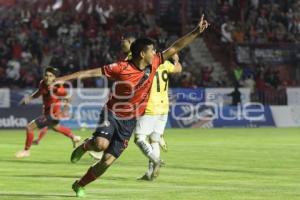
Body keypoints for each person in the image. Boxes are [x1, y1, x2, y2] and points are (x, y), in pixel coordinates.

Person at [56, 15, 209, 197]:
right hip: (112, 113)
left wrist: (195, 32)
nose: (155, 53)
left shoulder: (155, 63)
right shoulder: (121, 67)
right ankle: (86, 146)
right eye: (151, 51)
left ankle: (79, 184)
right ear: (142, 54)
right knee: (100, 144)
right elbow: (90, 72)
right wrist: (60, 80)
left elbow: (176, 47)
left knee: (107, 162)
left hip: (130, 121)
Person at [15, 67, 81, 158]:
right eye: (46, 75)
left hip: (53, 114)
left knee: (30, 127)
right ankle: (74, 137)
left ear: (54, 78)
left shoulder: (58, 88)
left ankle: (26, 151)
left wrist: (64, 110)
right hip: (48, 113)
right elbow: (39, 93)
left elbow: (68, 98)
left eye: (50, 76)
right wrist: (29, 98)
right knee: (55, 127)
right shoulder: (42, 83)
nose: (47, 77)